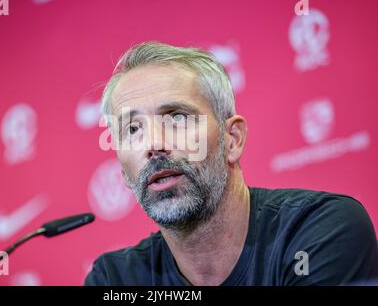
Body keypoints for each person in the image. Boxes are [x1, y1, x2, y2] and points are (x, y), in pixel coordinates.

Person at [85, 42, 378, 285]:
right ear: (123, 171)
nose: (153, 145)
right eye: (133, 129)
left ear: (233, 139)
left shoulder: (319, 231)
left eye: (176, 117)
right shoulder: (115, 280)